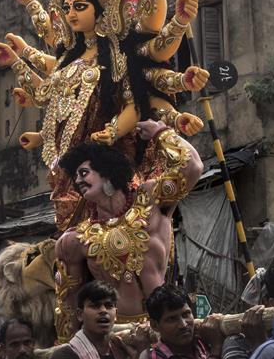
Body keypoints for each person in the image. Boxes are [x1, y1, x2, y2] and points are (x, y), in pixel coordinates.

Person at [0, 0, 208, 231]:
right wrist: (20, 51)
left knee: (111, 232)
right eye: (67, 8)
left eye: (79, 6)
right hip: (66, 171)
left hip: (106, 167)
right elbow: (46, 92)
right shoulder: (68, 58)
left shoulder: (119, 53)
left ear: (100, 8)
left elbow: (135, 100)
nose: (71, 14)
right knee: (71, 246)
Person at [54, 118, 204, 339]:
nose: (78, 180)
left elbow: (193, 167)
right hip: (117, 340)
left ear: (106, 172)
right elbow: (70, 307)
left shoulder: (151, 202)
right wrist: (69, 350)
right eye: (75, 177)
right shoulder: (76, 240)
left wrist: (160, 132)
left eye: (84, 172)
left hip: (169, 331)